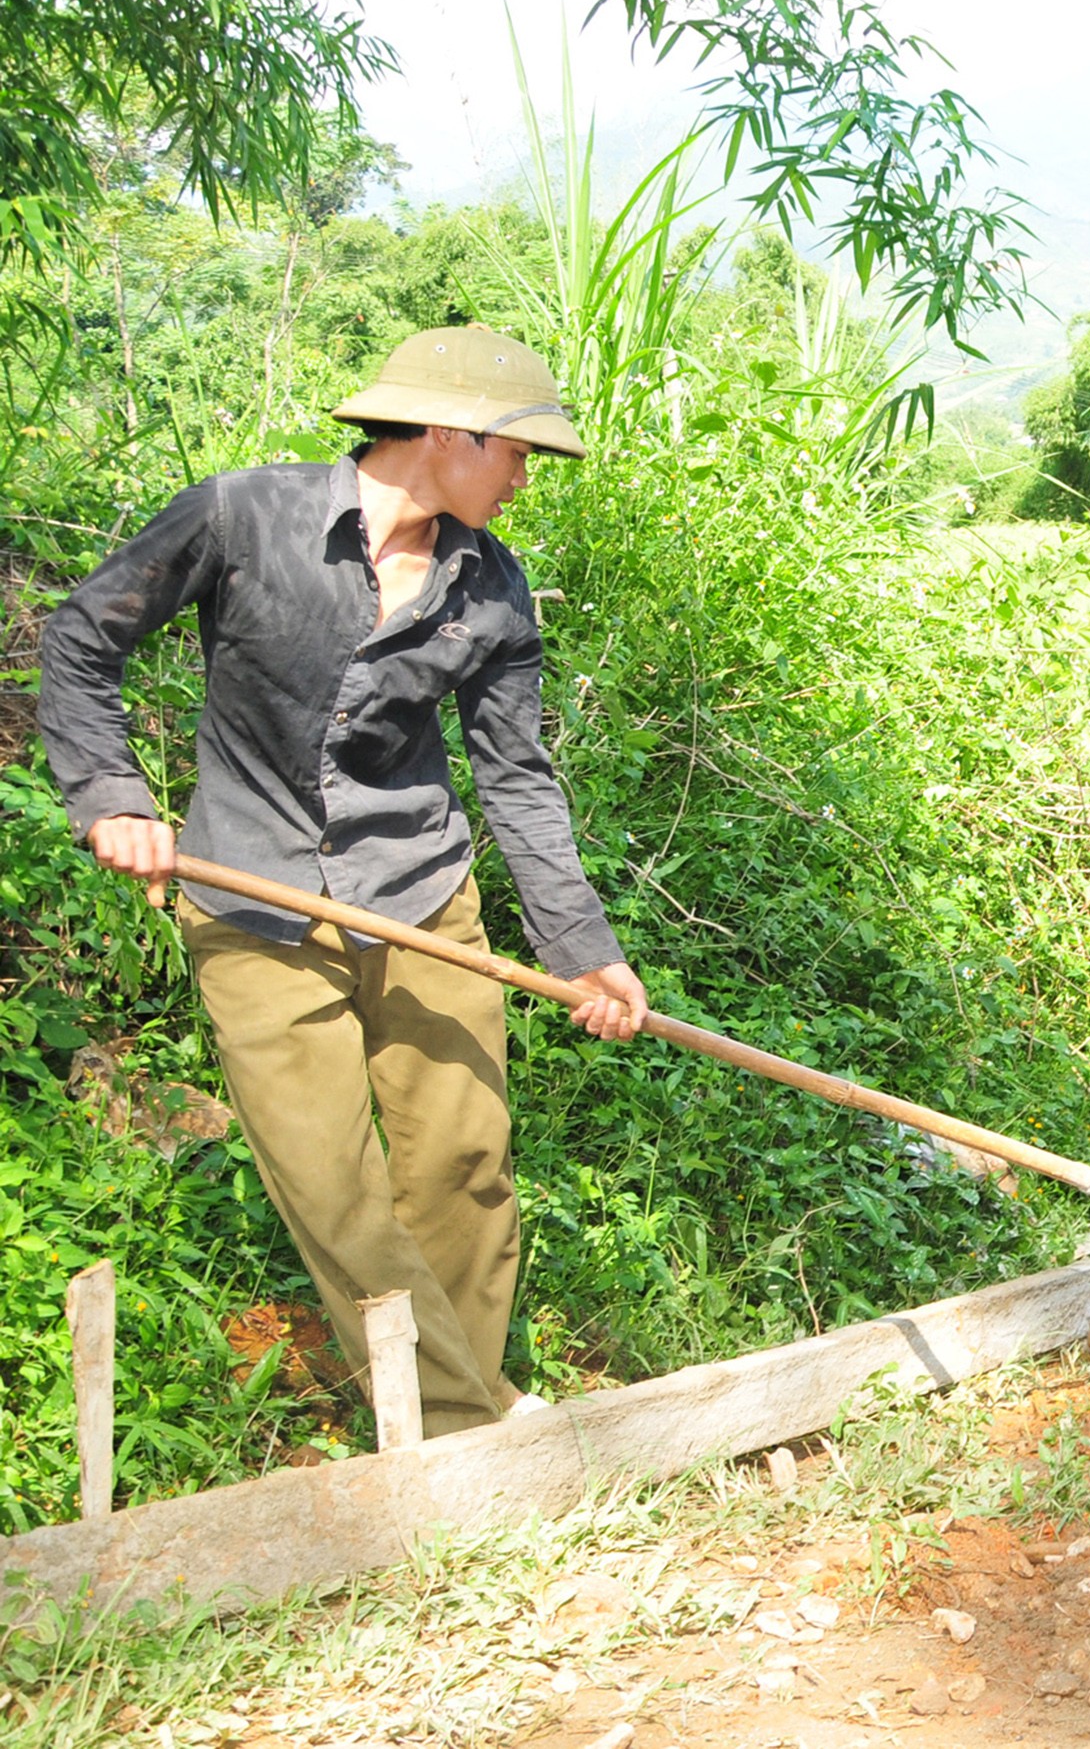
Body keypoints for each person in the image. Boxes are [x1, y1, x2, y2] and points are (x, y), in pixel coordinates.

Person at [38, 325, 648, 1439]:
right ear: (454, 435)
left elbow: (517, 780)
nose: (523, 480)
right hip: (254, 901)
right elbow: (82, 640)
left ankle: (441, 1419)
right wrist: (112, 793)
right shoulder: (240, 517)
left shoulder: (495, 591)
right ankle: (472, 1427)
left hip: (420, 895)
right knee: (334, 1187)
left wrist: (583, 947)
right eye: (518, 455)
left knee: (464, 1163)